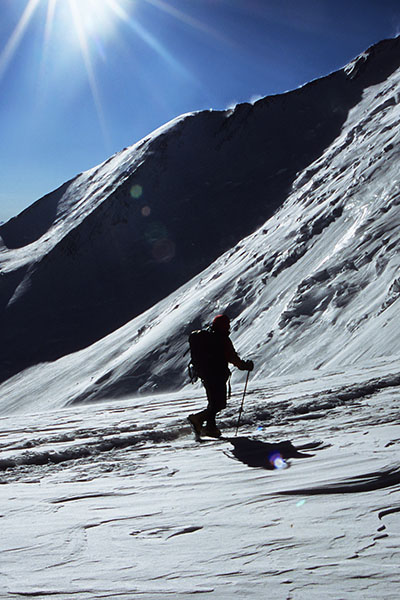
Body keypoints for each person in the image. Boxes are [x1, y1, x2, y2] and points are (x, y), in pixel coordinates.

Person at [188, 314, 254, 438]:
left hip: (205, 374)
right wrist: (245, 366)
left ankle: (210, 428)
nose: (228, 327)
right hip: (217, 375)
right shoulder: (221, 339)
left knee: (213, 403)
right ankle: (197, 419)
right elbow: (232, 357)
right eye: (227, 324)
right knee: (219, 404)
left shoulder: (206, 336)